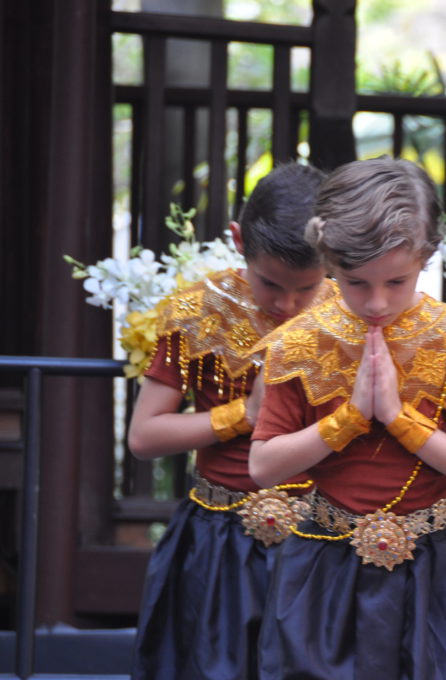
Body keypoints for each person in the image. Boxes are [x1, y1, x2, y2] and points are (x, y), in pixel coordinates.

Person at [248, 157, 446, 679]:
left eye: (396, 281)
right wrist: (348, 418)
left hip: (437, 570)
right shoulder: (298, 343)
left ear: (427, 255)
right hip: (324, 566)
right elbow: (263, 467)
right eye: (354, 282)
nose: (376, 302)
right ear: (326, 260)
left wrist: (395, 416)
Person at [128, 163, 335, 680]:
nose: (287, 305)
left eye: (306, 288)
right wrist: (242, 415)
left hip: (326, 535)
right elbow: (145, 435)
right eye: (270, 284)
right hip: (221, 538)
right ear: (238, 240)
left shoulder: (352, 318)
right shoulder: (199, 313)